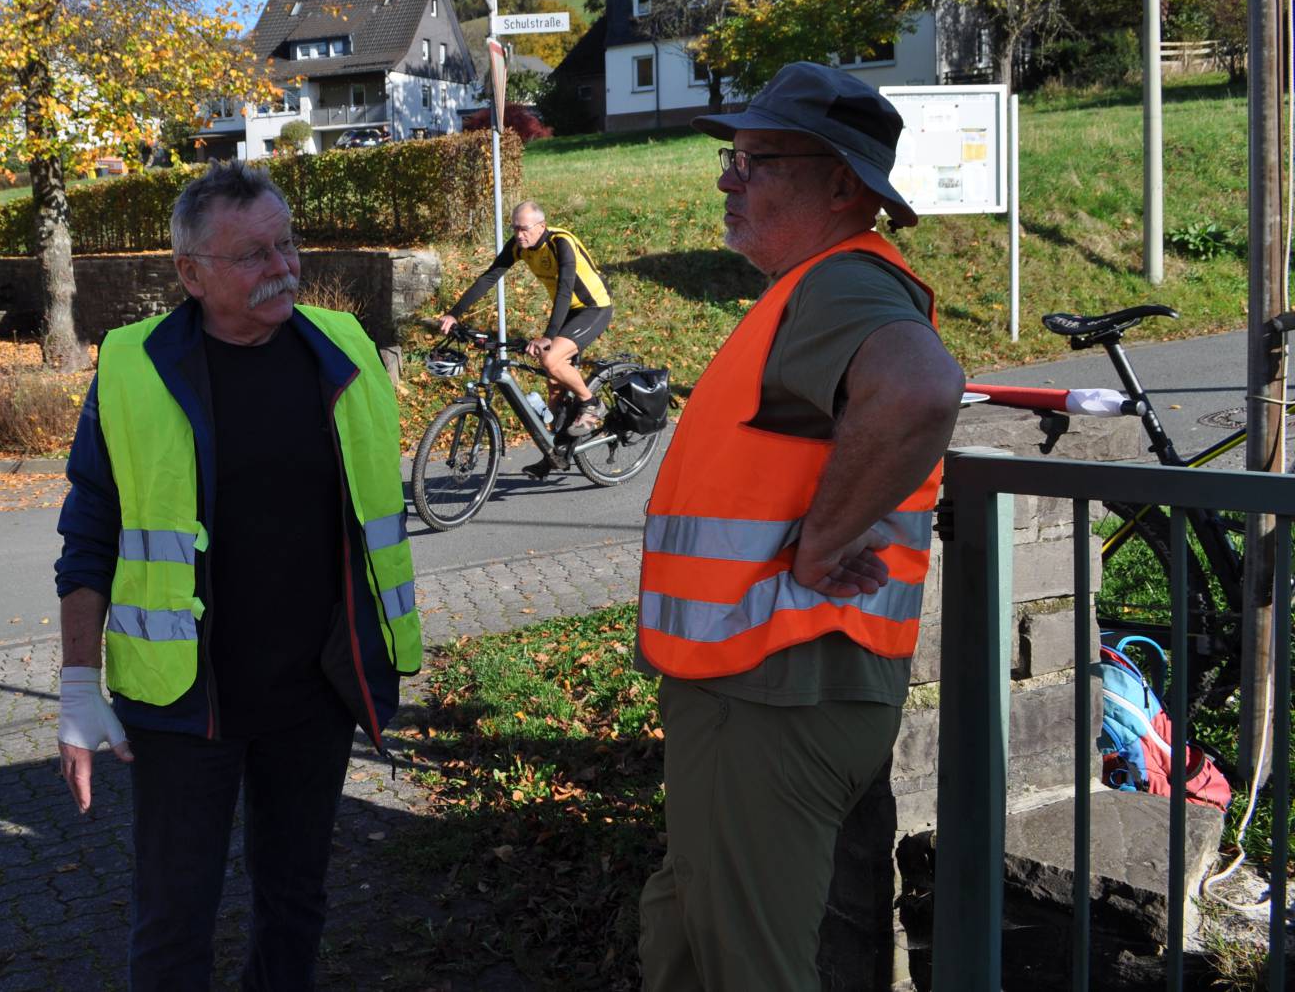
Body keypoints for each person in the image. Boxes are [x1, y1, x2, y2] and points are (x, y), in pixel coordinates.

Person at [634, 62, 965, 992]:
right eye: (731, 159)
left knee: (746, 963)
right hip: (764, 685)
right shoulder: (816, 286)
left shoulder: (841, 281)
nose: (726, 181)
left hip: (776, 688)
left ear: (841, 186)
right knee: (690, 933)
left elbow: (920, 386)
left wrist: (820, 546)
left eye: (756, 161)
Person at [52, 160, 420, 992]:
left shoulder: (344, 349)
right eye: (254, 254)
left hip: (316, 694)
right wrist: (78, 685)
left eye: (287, 244)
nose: (283, 267)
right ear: (191, 273)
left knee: (295, 902)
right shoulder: (134, 367)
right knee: (174, 918)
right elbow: (89, 533)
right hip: (187, 704)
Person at [438, 200, 613, 448]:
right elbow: (489, 277)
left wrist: (548, 336)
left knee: (550, 359)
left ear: (541, 226)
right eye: (515, 228)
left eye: (524, 229)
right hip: (568, 311)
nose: (519, 235)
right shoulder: (519, 247)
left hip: (593, 307)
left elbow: (565, 290)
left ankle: (591, 403)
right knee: (554, 384)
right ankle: (557, 450)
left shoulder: (561, 243)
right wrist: (454, 313)